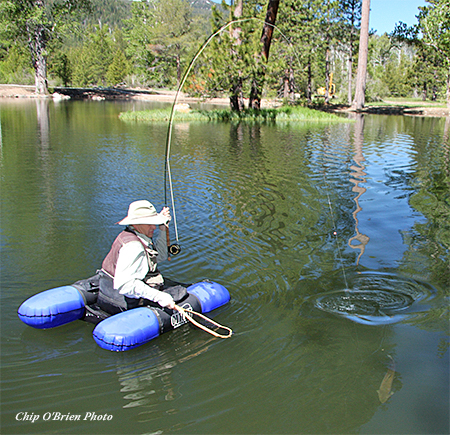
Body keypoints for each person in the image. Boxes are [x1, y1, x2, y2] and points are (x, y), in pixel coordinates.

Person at [98, 200, 176, 314]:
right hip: (119, 301)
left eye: (154, 222)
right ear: (136, 223)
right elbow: (125, 285)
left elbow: (160, 257)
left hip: (106, 292)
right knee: (179, 293)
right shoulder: (133, 246)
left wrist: (163, 229)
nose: (154, 227)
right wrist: (159, 296)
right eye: (149, 223)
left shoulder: (134, 234)